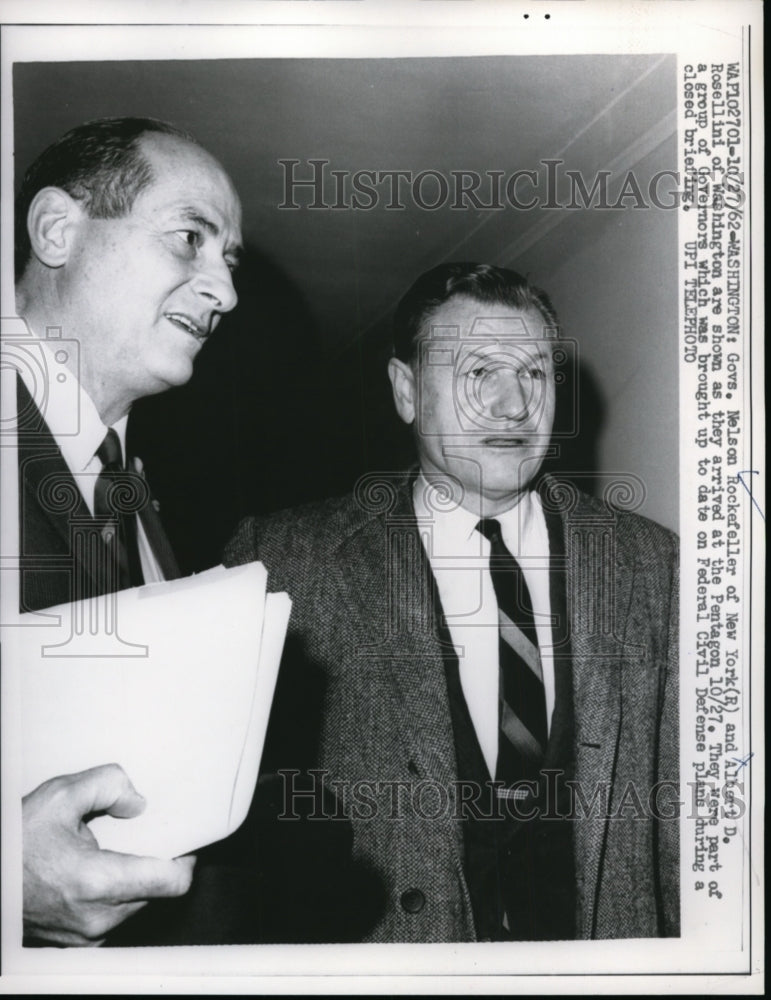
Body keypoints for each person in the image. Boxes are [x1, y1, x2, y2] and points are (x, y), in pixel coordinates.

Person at [225, 262, 680, 942]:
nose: (512, 405)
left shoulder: (653, 564)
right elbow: (233, 844)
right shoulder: (286, 561)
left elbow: (691, 825)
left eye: (533, 372)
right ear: (406, 391)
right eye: (477, 373)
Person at [11, 116, 242, 945]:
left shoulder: (136, 493)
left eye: (230, 260)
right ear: (57, 231)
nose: (226, 291)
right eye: (190, 239)